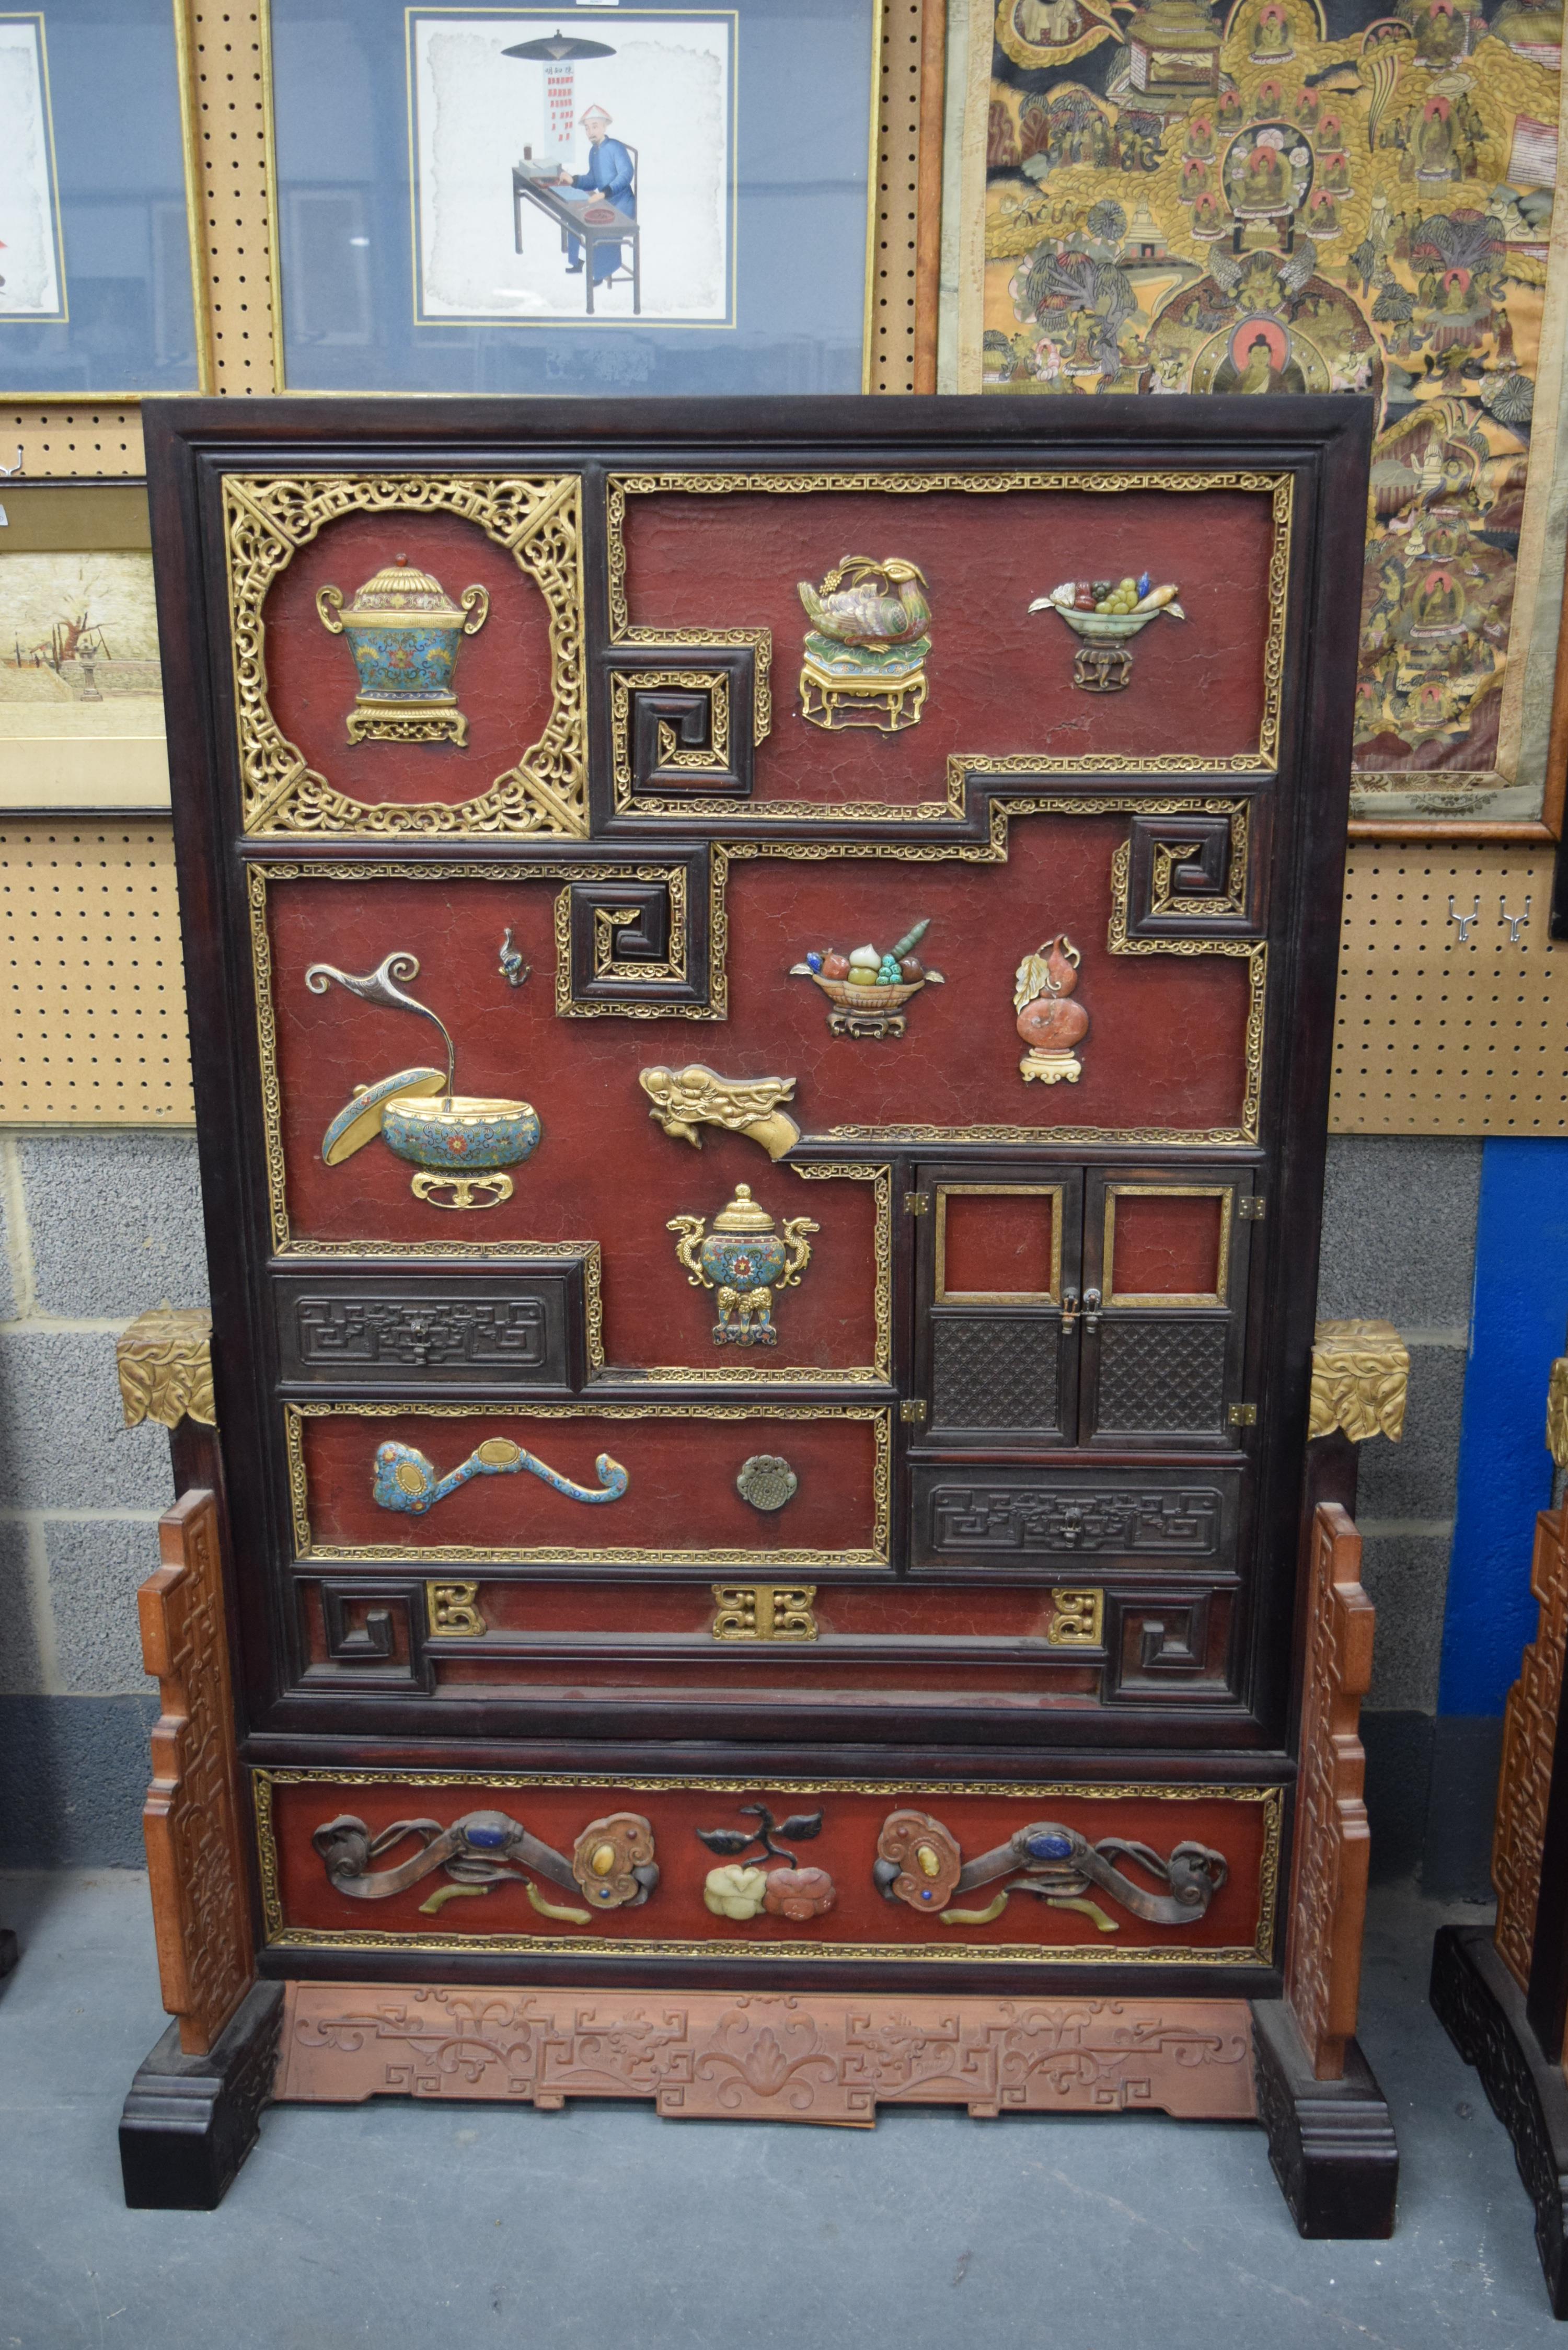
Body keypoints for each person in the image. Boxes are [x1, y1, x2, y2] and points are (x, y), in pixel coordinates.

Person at [559, 104, 635, 284]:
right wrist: (574, 180)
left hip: (622, 206)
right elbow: (593, 179)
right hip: (605, 203)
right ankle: (577, 261)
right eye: (587, 128)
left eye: (594, 127)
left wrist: (604, 194)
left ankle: (600, 273)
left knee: (598, 229)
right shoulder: (594, 151)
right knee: (574, 217)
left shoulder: (615, 147)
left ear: (604, 127)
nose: (590, 132)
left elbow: (626, 174)